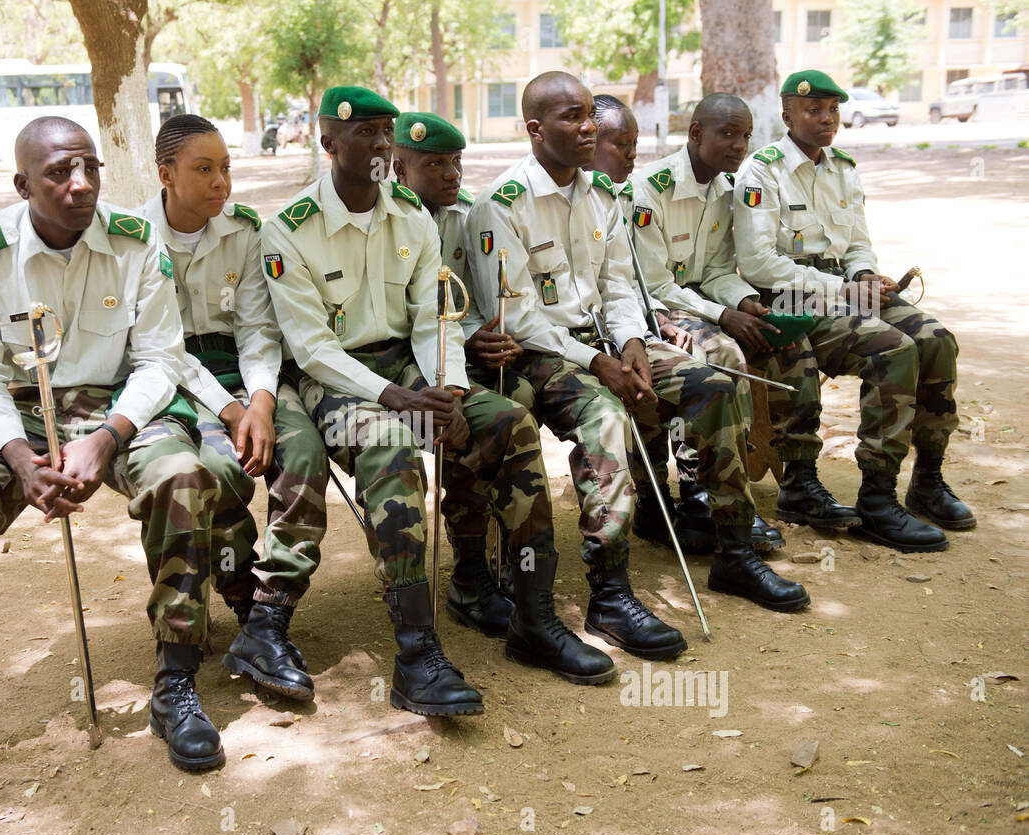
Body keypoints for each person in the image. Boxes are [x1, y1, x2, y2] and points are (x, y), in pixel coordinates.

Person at [0, 117, 252, 791]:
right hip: (20, 412)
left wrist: (107, 436)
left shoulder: (136, 242)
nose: (81, 183)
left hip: (122, 405)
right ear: (23, 183)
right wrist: (22, 459)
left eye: (90, 167)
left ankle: (176, 684)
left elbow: (158, 358)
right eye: (59, 172)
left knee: (182, 475)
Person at [262, 87, 616, 712]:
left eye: (384, 132)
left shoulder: (412, 216)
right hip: (341, 380)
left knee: (507, 422)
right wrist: (396, 397)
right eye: (364, 133)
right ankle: (416, 655)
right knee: (391, 447)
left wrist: (447, 388)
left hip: (416, 365)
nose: (376, 144)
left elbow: (434, 318)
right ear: (328, 143)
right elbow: (313, 350)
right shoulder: (287, 231)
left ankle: (535, 620)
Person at [466, 72, 810, 646]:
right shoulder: (501, 206)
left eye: (588, 116)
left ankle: (734, 550)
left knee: (712, 384)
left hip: (609, 341)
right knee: (605, 419)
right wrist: (597, 362)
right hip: (542, 352)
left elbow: (622, 286)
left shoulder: (603, 196)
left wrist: (628, 345)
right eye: (571, 117)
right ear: (534, 129)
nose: (587, 127)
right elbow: (520, 317)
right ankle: (610, 595)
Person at [733, 70, 973, 551]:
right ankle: (877, 500)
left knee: (937, 340)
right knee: (894, 350)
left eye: (832, 110)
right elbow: (758, 260)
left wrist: (864, 274)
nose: (826, 119)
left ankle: (927, 479)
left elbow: (859, 244)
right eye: (813, 110)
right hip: (792, 296)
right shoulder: (762, 170)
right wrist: (844, 288)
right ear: (787, 116)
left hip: (845, 288)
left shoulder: (843, 167)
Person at [138, 113, 328, 702]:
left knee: (301, 448)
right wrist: (231, 413)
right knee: (218, 470)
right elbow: (164, 350)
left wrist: (264, 404)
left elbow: (256, 331)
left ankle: (270, 615)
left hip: (243, 371)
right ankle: (242, 601)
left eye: (225, 167)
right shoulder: (134, 238)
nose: (222, 182)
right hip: (167, 379)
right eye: (204, 169)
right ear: (165, 174)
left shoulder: (244, 230)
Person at [620, 94, 826, 553]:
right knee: (723, 357)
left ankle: (800, 478)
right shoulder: (650, 189)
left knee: (784, 342)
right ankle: (708, 497)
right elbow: (653, 283)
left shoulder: (727, 188)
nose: (739, 145)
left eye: (746, 135)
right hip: (657, 307)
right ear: (696, 134)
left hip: (703, 301)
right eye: (727, 133)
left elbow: (716, 271)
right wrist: (721, 315)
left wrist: (745, 301)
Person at [391, 110, 516, 636]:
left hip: (452, 355)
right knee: (455, 418)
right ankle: (468, 575)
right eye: (435, 164)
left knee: (516, 401)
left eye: (457, 162)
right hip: (398, 362)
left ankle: (497, 561)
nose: (452, 175)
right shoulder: (386, 218)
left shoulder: (468, 217)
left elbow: (469, 306)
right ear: (399, 169)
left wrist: (489, 336)